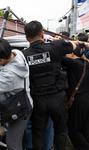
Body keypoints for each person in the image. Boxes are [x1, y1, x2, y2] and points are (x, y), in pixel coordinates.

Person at [23, 20, 77, 150]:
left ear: (26, 37)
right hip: (57, 97)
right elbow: (74, 47)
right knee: (61, 130)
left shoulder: (23, 55)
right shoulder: (56, 46)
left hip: (38, 100)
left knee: (38, 133)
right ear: (42, 34)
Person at [0, 37, 33, 150]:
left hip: (20, 108)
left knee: (12, 143)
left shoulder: (9, 75)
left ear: (0, 60)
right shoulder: (17, 53)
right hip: (22, 101)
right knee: (17, 136)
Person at [62, 44, 89, 149]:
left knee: (73, 129)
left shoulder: (74, 63)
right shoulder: (86, 63)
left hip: (78, 99)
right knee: (85, 128)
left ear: (72, 53)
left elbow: (57, 55)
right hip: (87, 96)